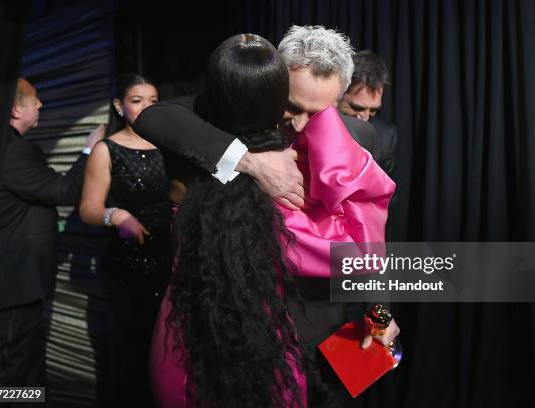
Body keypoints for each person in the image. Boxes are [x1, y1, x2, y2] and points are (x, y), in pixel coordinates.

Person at [147, 31, 396, 407]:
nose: (300, 125)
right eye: (292, 107)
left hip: (320, 326)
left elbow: (369, 238)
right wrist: (250, 162)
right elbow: (156, 117)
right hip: (240, 326)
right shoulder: (235, 119)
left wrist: (379, 313)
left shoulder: (360, 137)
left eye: (319, 112)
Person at [0, 77, 103, 389]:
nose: (41, 104)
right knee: (1, 379)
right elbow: (64, 190)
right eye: (35, 98)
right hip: (10, 289)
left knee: (25, 372)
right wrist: (89, 149)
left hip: (11, 285)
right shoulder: (11, 150)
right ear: (15, 109)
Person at [79, 74, 173, 405]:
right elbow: (88, 209)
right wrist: (116, 215)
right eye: (137, 100)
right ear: (119, 106)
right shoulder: (107, 149)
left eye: (153, 100)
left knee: (167, 355)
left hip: (170, 261)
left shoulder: (170, 144)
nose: (147, 107)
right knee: (132, 353)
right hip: (127, 267)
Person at [338, 50, 397, 175]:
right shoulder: (310, 123)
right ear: (338, 94)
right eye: (357, 108)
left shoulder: (386, 136)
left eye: (373, 110)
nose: (364, 118)